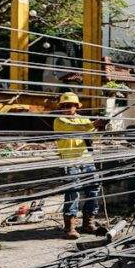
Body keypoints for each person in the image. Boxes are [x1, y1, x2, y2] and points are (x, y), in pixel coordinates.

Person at [53, 92, 107, 239]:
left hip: (86, 160)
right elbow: (73, 129)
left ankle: (88, 223)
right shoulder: (59, 121)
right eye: (64, 106)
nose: (66, 108)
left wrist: (100, 128)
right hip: (70, 161)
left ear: (76, 106)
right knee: (73, 192)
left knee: (93, 190)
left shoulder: (83, 119)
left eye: (70, 105)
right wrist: (93, 124)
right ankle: (70, 227)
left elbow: (91, 136)